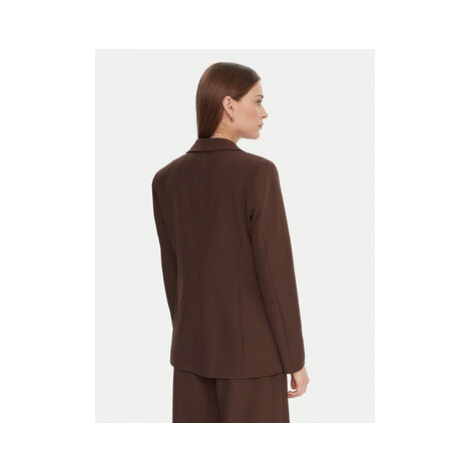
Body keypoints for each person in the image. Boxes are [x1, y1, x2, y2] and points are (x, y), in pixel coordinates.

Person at [151, 62, 309, 423]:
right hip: (253, 362)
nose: (264, 112)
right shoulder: (257, 173)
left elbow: (173, 276)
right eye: (258, 100)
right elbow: (276, 275)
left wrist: (192, 338)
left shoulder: (166, 180)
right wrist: (295, 360)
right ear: (229, 105)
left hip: (191, 358)